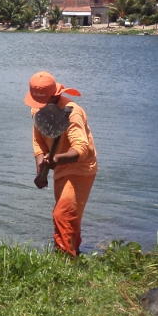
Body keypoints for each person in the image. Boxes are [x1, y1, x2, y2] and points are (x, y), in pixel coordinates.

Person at [25, 71, 98, 257]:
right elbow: (38, 143)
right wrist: (41, 169)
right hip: (59, 168)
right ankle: (70, 253)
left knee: (62, 215)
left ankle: (67, 262)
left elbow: (82, 149)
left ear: (55, 96)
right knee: (66, 218)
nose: (37, 106)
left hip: (80, 169)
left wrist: (57, 159)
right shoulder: (38, 111)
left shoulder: (72, 113)